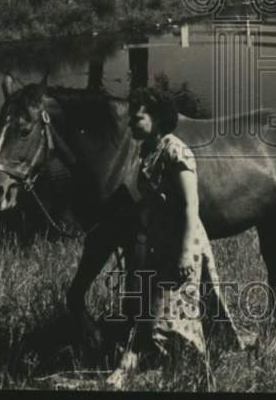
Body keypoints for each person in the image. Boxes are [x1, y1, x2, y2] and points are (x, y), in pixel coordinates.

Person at [107, 87, 245, 387]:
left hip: (182, 243)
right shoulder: (147, 150)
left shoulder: (176, 151)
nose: (131, 122)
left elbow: (189, 204)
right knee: (165, 313)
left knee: (173, 319)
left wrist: (184, 253)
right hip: (160, 244)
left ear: (156, 120)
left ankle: (196, 377)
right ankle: (173, 369)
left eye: (138, 117)